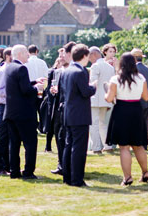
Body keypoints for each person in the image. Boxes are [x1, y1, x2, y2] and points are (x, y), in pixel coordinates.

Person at [105, 53, 148, 186]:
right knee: (138, 145)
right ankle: (145, 172)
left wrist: (107, 92)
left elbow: (109, 98)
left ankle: (128, 177)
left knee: (124, 147)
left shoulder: (115, 79)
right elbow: (146, 97)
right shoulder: (140, 78)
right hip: (136, 110)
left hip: (121, 111)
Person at [4, 44, 44, 179]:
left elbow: (19, 85)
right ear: (20, 54)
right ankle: (28, 172)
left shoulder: (9, 67)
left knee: (14, 144)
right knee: (30, 143)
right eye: (26, 52)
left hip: (11, 112)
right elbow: (25, 90)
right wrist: (37, 87)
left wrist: (33, 82)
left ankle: (14, 171)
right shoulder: (22, 68)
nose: (28, 55)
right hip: (24, 113)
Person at [62, 44, 97, 187]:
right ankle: (77, 179)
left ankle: (67, 177)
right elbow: (85, 92)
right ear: (84, 56)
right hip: (80, 114)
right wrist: (93, 86)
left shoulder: (66, 70)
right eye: (88, 56)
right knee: (79, 148)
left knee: (68, 145)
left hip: (69, 112)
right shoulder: (81, 71)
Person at [49, 41, 75, 176]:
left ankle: (69, 166)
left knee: (68, 139)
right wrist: (54, 91)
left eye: (64, 54)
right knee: (59, 138)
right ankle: (61, 165)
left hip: (70, 110)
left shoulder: (74, 71)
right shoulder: (57, 72)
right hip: (57, 110)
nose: (61, 56)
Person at [88, 46, 114, 154]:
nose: (88, 58)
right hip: (106, 98)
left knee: (94, 124)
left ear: (94, 54)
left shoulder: (95, 66)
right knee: (103, 124)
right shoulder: (109, 67)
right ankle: (107, 145)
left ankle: (96, 147)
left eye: (89, 56)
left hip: (95, 99)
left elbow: (93, 82)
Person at [0, 47, 12, 175]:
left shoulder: (11, 69)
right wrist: (13, 93)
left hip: (11, 106)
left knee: (9, 137)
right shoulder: (2, 70)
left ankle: (7, 165)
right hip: (3, 106)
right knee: (1, 137)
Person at [132, 48, 148, 149]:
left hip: (137, 100)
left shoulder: (133, 69)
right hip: (147, 100)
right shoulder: (147, 69)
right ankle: (144, 144)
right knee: (144, 122)